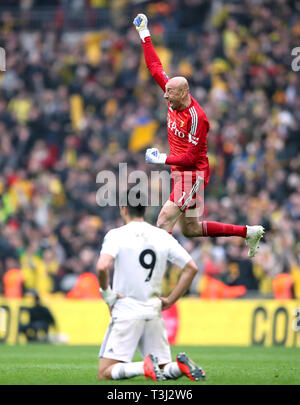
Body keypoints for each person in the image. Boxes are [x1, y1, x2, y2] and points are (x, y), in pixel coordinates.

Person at [133, 14, 264, 258]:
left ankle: (155, 277)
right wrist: (145, 33)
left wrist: (161, 159)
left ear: (184, 93)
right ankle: (248, 232)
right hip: (180, 173)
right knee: (191, 229)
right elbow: (154, 68)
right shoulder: (173, 97)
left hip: (193, 174)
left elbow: (191, 157)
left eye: (170, 92)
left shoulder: (197, 118)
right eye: (166, 90)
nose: (164, 96)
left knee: (163, 221)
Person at [96, 191, 206, 382]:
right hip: (153, 308)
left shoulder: (116, 235)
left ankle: (142, 366)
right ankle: (179, 367)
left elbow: (102, 266)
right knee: (163, 368)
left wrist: (107, 295)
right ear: (145, 210)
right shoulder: (161, 236)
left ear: (124, 210)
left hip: (127, 309)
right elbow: (191, 268)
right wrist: (171, 300)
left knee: (105, 372)